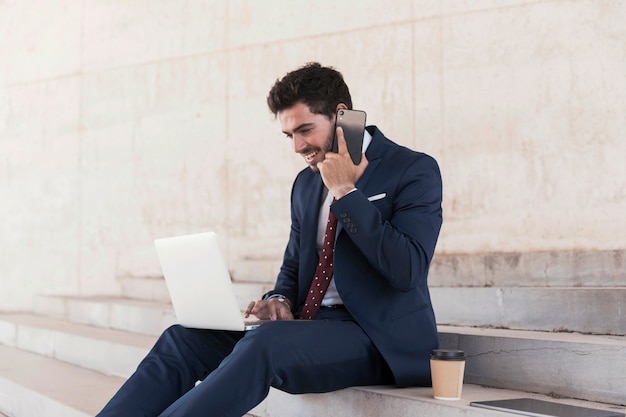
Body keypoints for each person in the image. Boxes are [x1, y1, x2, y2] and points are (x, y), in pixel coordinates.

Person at [96, 62, 443, 417]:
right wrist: (278, 298)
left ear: (341, 115)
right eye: (289, 134)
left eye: (305, 130)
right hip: (308, 329)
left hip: (377, 338)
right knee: (182, 339)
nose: (297, 146)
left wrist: (345, 190)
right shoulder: (306, 183)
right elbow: (294, 263)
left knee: (264, 345)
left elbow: (408, 269)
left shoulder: (412, 169)